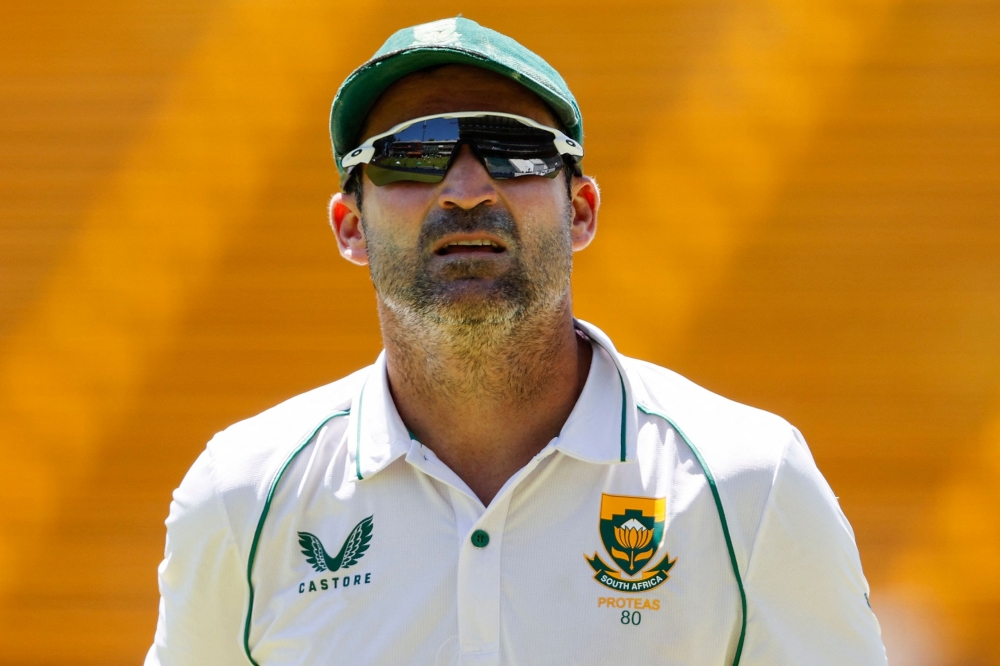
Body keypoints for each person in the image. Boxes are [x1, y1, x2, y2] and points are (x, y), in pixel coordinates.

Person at [146, 17, 888, 666]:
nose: (467, 189)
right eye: (410, 153)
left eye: (516, 149)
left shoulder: (750, 483)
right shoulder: (240, 496)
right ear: (350, 227)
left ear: (582, 209)